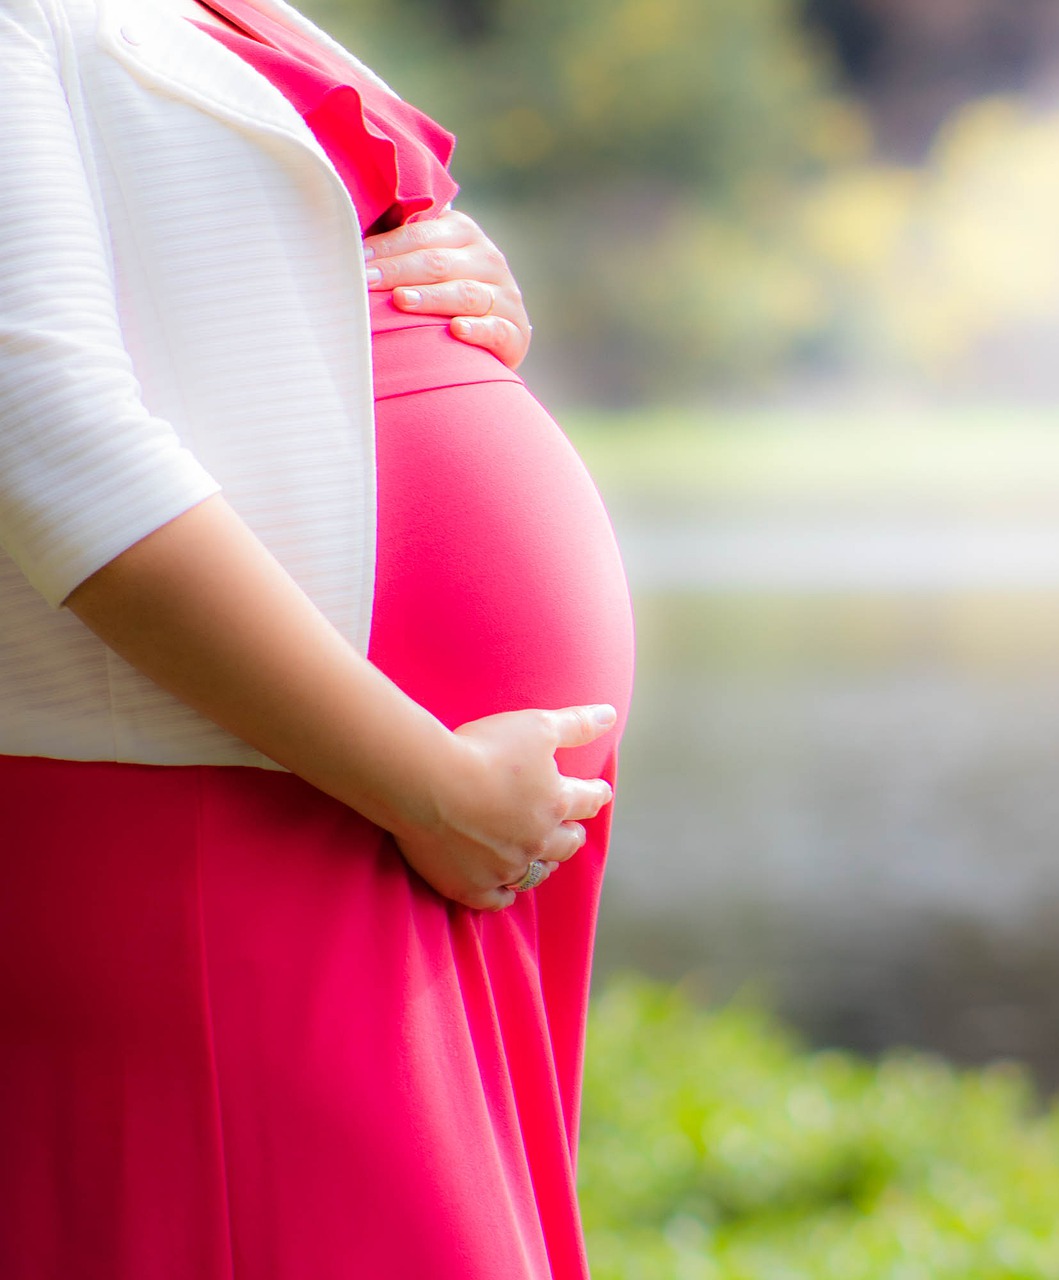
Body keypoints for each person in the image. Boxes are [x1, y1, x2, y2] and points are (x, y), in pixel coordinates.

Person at [0, 0, 635, 1275]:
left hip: (366, 802)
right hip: (248, 800)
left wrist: (449, 277)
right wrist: (426, 781)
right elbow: (41, 427)